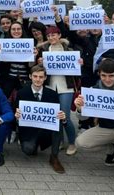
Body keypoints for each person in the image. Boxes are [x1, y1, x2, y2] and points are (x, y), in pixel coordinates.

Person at [37, 25, 80, 156]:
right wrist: (39, 62)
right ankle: (59, 141)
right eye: (49, 36)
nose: (51, 38)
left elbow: (76, 72)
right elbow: (38, 70)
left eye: (53, 35)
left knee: (64, 116)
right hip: (50, 86)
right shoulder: (44, 49)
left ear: (59, 35)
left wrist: (79, 64)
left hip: (66, 87)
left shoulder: (69, 50)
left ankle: (72, 143)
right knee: (55, 116)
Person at [14, 65, 66, 173]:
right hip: (29, 131)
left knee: (58, 123)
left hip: (46, 130)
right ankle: (34, 146)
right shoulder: (22, 93)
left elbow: (58, 115)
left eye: (41, 77)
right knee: (28, 150)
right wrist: (17, 117)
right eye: (35, 76)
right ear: (30, 76)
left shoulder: (52, 94)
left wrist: (63, 118)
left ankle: (54, 157)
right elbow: (14, 114)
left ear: (45, 78)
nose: (38, 79)